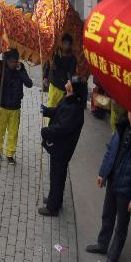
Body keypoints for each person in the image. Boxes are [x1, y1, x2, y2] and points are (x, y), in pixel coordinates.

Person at [86, 112, 131, 262]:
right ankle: (103, 244)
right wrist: (103, 173)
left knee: (121, 227)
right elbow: (110, 151)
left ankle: (112, 258)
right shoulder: (121, 128)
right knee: (107, 215)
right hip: (113, 181)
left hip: (127, 190)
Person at [38, 77, 86, 216]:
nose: (67, 81)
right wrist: (47, 111)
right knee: (56, 175)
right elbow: (58, 111)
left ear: (73, 88)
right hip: (59, 147)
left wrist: (46, 131)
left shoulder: (75, 108)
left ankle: (52, 208)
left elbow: (62, 128)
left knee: (57, 176)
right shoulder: (68, 98)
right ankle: (55, 199)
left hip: (62, 148)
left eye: (70, 81)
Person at [0, 48, 33, 164]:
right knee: (0, 131)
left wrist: (20, 71)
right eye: (10, 61)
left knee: (13, 132)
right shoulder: (1, 68)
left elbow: (29, 84)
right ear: (6, 60)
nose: (13, 64)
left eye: (15, 61)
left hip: (15, 107)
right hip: (2, 107)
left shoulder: (20, 68)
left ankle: (10, 154)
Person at [42, 34, 77, 109]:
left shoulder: (72, 59)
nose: (65, 46)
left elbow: (70, 75)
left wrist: (57, 68)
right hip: (53, 84)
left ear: (70, 46)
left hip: (63, 88)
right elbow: (48, 63)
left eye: (67, 44)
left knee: (59, 109)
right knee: (50, 106)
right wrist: (45, 77)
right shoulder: (55, 52)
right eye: (64, 43)